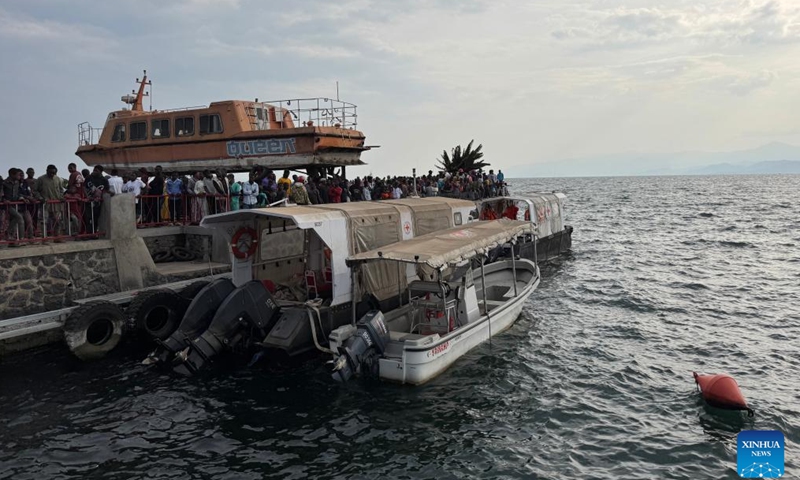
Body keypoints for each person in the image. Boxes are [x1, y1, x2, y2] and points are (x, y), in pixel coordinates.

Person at [35, 164, 66, 240]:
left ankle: (57, 237)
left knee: (57, 220)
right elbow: (35, 191)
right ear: (47, 171)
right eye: (50, 172)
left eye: (53, 173)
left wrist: (62, 197)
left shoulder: (58, 179)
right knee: (44, 221)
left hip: (56, 204)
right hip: (45, 204)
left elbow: (61, 190)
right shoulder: (40, 179)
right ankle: (44, 238)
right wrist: (40, 198)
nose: (52, 174)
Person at [84, 165, 109, 234]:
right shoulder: (89, 178)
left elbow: (106, 190)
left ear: (101, 172)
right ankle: (88, 233)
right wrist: (87, 196)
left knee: (95, 217)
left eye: (96, 170)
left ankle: (94, 232)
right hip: (89, 201)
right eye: (94, 170)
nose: (94, 171)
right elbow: (84, 187)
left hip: (98, 203)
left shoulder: (104, 180)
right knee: (88, 217)